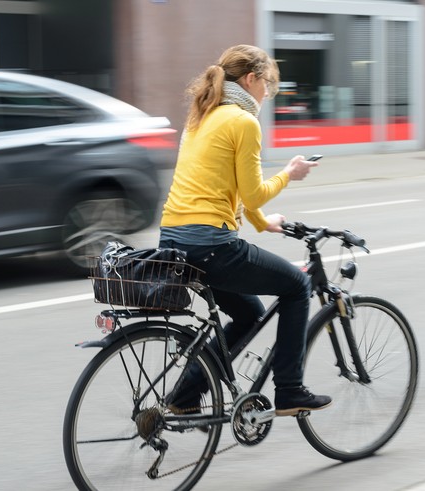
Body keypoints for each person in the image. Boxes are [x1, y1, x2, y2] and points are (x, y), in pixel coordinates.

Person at [158, 44, 330, 417]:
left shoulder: (202, 116)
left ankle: (184, 398)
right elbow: (252, 192)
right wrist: (289, 174)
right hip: (211, 245)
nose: (268, 94)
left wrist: (261, 223)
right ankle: (289, 390)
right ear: (251, 80)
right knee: (298, 287)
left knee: (249, 314)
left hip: (173, 239)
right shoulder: (243, 121)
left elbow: (228, 189)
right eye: (268, 85)